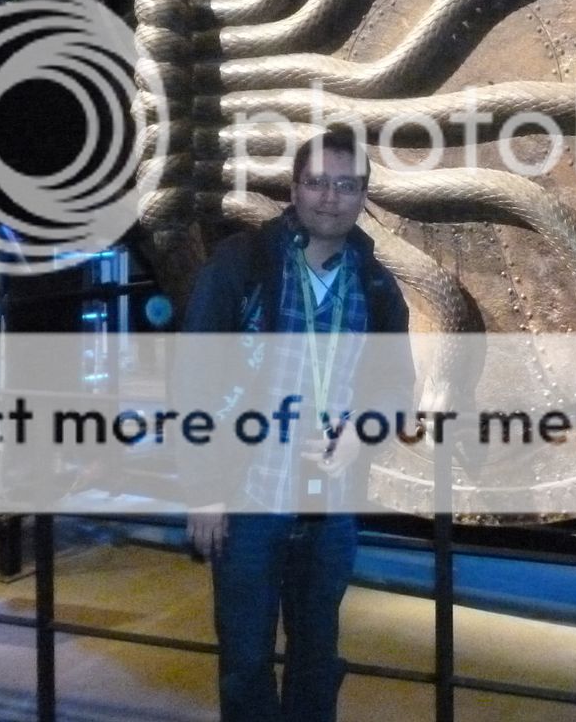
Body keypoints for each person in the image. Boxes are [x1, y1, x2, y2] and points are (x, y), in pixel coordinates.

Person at [177, 125, 414, 722]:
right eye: (317, 183)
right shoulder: (244, 264)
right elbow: (194, 376)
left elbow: (396, 387)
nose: (330, 198)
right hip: (248, 501)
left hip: (329, 509)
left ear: (364, 196)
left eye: (346, 185)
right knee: (245, 662)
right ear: (294, 188)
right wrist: (203, 488)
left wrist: (362, 431)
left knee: (316, 658)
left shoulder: (376, 285)